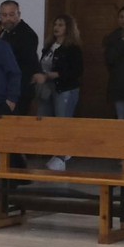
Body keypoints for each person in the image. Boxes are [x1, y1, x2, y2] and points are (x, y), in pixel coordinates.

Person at [36, 14, 85, 170]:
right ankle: (58, 151)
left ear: (68, 28)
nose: (57, 27)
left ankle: (62, 156)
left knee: (62, 122)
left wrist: (56, 74)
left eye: (61, 25)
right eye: (55, 24)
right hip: (47, 89)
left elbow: (77, 70)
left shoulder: (73, 48)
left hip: (65, 89)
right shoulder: (50, 45)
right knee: (45, 120)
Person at [0, 0, 40, 114]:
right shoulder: (3, 33)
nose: (8, 18)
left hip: (19, 90)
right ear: (0, 16)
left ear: (18, 14)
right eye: (4, 15)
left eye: (12, 15)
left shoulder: (27, 34)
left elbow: (23, 64)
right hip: (4, 88)